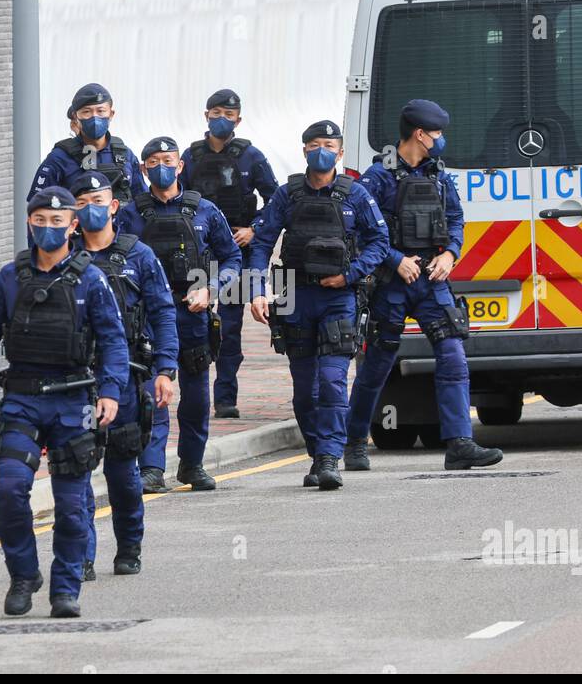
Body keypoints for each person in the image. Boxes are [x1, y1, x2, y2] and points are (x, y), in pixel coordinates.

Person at [0, 187, 128, 618]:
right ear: (29, 223)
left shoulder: (92, 279)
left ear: (73, 225)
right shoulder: (9, 279)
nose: (47, 229)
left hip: (73, 402)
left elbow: (113, 341)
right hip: (23, 400)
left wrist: (110, 391)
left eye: (57, 222)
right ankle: (23, 574)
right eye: (40, 221)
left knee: (71, 506)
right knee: (11, 489)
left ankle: (65, 587)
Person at [344, 100, 503, 471]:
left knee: (453, 356)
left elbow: (456, 219)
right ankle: (353, 442)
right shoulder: (376, 177)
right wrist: (396, 261)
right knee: (378, 365)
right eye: (437, 134)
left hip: (432, 280)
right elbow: (363, 232)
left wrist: (449, 254)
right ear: (419, 134)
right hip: (393, 283)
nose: (440, 139)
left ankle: (460, 443)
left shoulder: (438, 175)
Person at [248, 120, 390, 489]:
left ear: (340, 152)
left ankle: (329, 457)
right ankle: (318, 453)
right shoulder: (288, 194)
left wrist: (350, 274)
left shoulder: (355, 195)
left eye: (328, 144)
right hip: (295, 295)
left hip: (338, 297)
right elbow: (261, 241)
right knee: (304, 390)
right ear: (304, 151)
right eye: (313, 144)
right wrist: (256, 290)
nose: (320, 150)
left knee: (331, 380)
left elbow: (379, 243)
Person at [116, 136, 242, 492]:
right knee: (152, 394)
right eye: (153, 161)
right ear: (143, 169)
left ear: (180, 165)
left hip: (193, 313)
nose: (161, 166)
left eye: (167, 159)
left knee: (197, 398)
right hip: (149, 317)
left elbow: (232, 257)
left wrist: (212, 289)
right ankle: (152, 468)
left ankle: (192, 465)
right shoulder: (129, 214)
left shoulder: (205, 210)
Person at [71, 171, 178, 580]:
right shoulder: (64, 256)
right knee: (76, 470)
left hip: (128, 377)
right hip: (77, 380)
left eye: (98, 200)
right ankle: (80, 555)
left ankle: (130, 546)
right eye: (82, 202)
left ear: (114, 206)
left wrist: (165, 370)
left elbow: (163, 312)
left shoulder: (139, 256)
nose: (91, 208)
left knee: (122, 473)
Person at [180, 88, 279, 419]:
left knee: (229, 325)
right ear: (205, 115)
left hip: (238, 249)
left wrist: (255, 229)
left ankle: (225, 396)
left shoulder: (251, 156)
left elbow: (275, 201)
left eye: (229, 114)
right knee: (195, 320)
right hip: (202, 251)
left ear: (239, 119)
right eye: (216, 112)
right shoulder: (190, 157)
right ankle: (194, 394)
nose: (222, 119)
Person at [29, 83, 147, 203]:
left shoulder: (126, 154)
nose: (94, 117)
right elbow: (38, 208)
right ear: (75, 117)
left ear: (111, 114)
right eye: (86, 112)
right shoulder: (59, 158)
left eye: (101, 111)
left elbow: (142, 201)